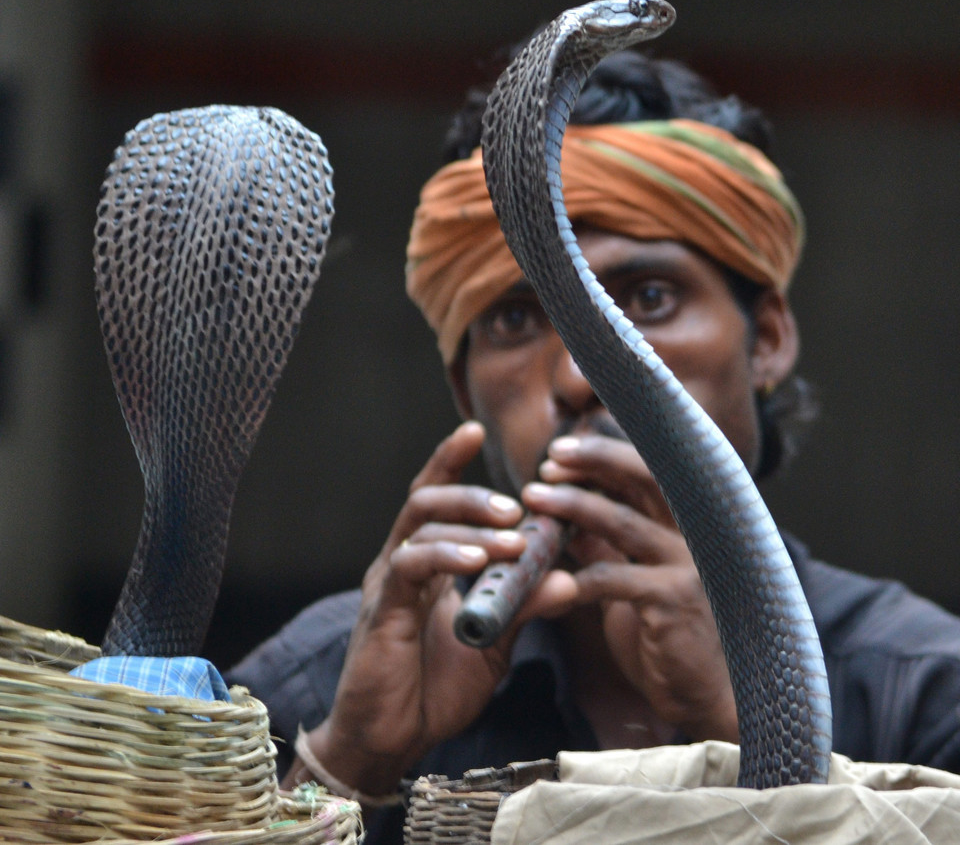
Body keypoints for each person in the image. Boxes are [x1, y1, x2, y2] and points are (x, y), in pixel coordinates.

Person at [226, 45, 960, 842]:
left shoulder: (923, 690)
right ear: (465, 388)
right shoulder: (317, 681)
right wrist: (345, 763)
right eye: (513, 318)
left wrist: (754, 742)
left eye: (648, 297)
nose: (581, 375)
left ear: (769, 342)